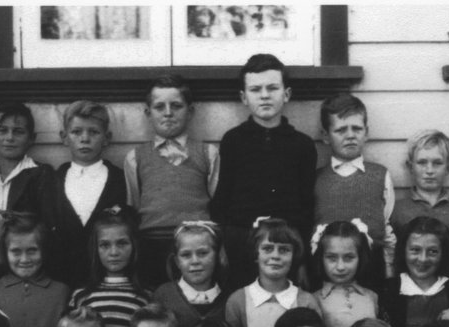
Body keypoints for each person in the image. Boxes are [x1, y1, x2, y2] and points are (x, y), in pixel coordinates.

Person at [211, 54, 317, 285]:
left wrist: (302, 257)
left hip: (286, 245)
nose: (265, 95)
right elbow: (223, 198)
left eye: (272, 88)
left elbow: (306, 205)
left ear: (286, 94)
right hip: (242, 242)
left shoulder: (302, 145)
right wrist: (223, 246)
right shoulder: (233, 141)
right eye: (256, 89)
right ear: (244, 97)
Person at [124, 74, 219, 289]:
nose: (168, 113)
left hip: (196, 245)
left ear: (190, 111)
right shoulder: (136, 157)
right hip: (152, 245)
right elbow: (135, 203)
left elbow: (216, 201)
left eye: (176, 106)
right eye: (159, 107)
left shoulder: (208, 153)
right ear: (148, 113)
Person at [0, 101, 57, 275]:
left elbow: (47, 224)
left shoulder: (40, 174)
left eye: (18, 132)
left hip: (23, 263)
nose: (9, 138)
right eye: (2, 130)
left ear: (32, 138)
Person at [313, 93, 396, 284]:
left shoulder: (380, 175)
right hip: (325, 276)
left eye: (357, 129)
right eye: (341, 130)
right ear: (325, 135)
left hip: (371, 272)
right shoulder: (316, 179)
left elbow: (385, 222)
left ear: (366, 133)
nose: (350, 135)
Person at [224, 218, 320, 327]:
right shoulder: (238, 300)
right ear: (256, 253)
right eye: (267, 249)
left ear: (294, 255)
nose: (275, 256)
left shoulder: (306, 301)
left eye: (283, 250)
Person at [53, 100, 127, 288]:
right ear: (64, 137)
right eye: (76, 132)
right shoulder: (52, 180)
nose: (85, 139)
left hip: (108, 279)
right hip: (62, 276)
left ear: (106, 138)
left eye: (93, 132)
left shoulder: (119, 179)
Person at [68, 205, 150, 327]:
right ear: (95, 248)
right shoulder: (82, 295)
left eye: (122, 243)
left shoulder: (145, 296)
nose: (114, 252)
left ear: (133, 245)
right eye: (105, 245)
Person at [151, 220, 228, 327]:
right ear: (177, 261)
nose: (195, 261)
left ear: (217, 256)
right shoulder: (164, 295)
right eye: (186, 255)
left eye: (203, 253)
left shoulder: (230, 299)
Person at [310, 220, 379, 327]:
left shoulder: (371, 297)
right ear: (321, 258)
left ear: (360, 257)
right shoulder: (315, 299)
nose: (340, 266)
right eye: (332, 258)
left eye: (349, 258)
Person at [390, 130, 449, 246]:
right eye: (422, 162)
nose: (429, 170)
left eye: (437, 163)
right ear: (410, 167)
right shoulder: (396, 210)